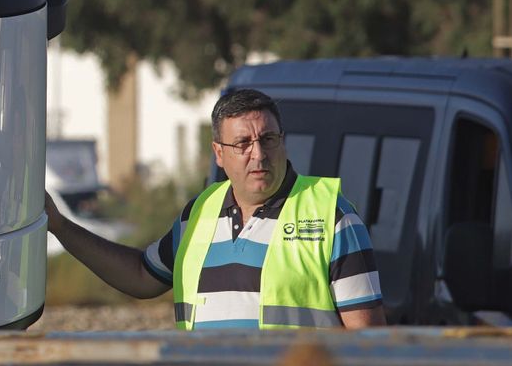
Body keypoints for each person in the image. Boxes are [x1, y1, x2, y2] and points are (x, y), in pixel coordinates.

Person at [46, 88, 386, 329]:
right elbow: (140, 277)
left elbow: (367, 343)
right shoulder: (198, 214)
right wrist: (60, 227)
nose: (259, 154)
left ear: (283, 141)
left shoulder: (333, 215)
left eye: (268, 139)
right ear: (218, 154)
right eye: (242, 144)